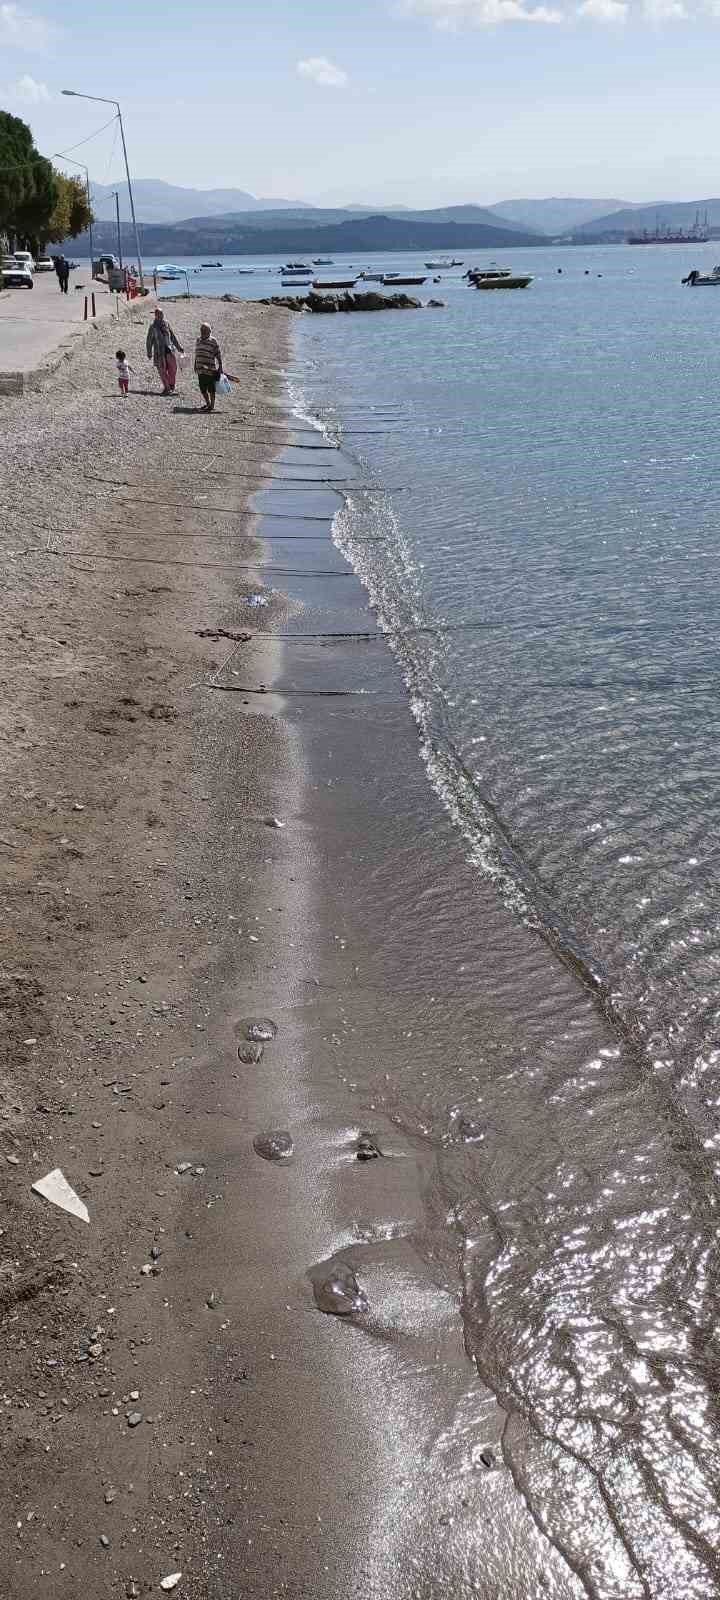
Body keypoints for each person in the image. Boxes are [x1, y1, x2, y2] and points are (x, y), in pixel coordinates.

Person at [146, 308, 184, 395]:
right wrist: (149, 352)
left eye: (162, 314)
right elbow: (149, 341)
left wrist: (179, 347)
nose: (160, 316)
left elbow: (172, 336)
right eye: (158, 314)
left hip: (170, 350)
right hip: (159, 352)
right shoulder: (153, 327)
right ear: (155, 315)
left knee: (173, 368)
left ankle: (171, 385)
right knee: (162, 371)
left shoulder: (166, 323)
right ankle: (166, 388)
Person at [194, 321, 223, 412]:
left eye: (206, 331)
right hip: (200, 369)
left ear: (210, 331)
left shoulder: (213, 341)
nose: (203, 332)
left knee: (211, 389)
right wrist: (195, 364)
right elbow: (197, 354)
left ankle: (212, 405)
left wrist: (220, 366)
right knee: (202, 388)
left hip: (210, 370)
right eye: (202, 330)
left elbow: (218, 354)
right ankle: (208, 403)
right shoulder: (198, 340)